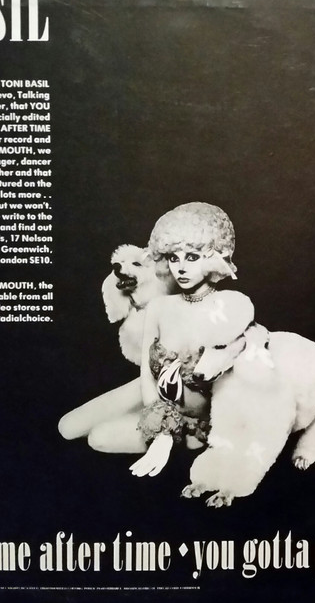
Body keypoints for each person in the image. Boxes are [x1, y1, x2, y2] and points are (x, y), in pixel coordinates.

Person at [58, 202, 254, 476]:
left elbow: (246, 369)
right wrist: (161, 431)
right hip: (155, 399)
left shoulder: (231, 304)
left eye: (192, 257)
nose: (181, 268)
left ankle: (185, 442)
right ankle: (159, 430)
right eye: (174, 258)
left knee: (98, 438)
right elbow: (146, 375)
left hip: (199, 419)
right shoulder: (160, 306)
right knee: (67, 427)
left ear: (213, 257)